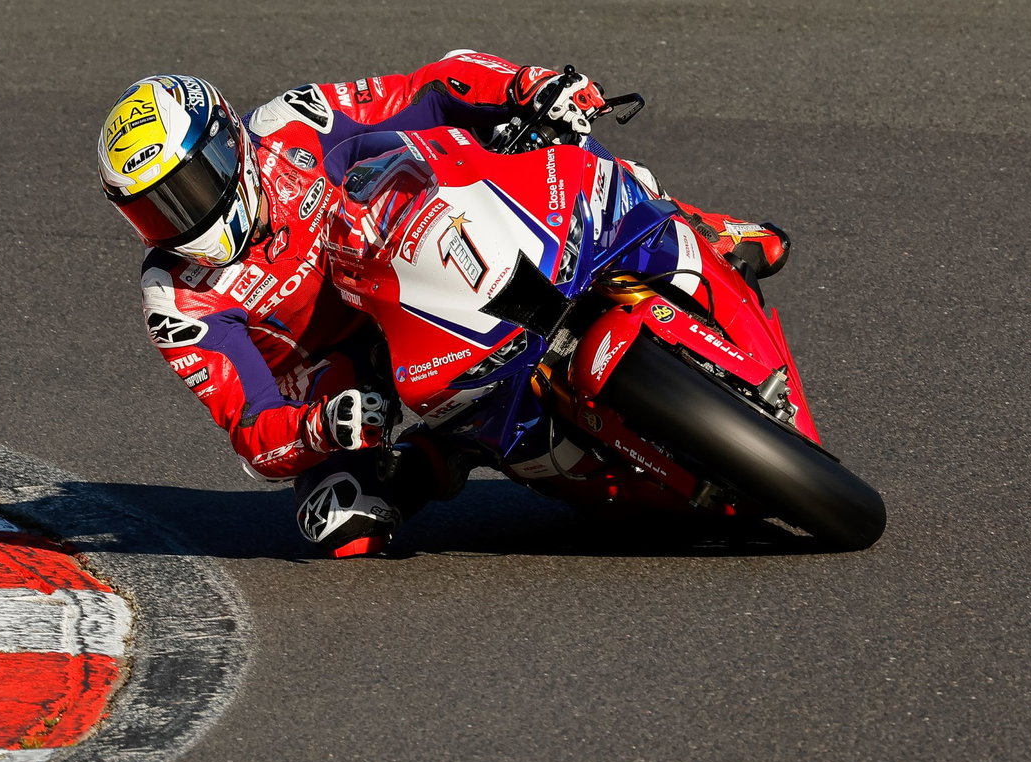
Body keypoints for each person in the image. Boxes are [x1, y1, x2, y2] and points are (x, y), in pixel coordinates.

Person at [96, 51, 789, 557]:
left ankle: (693, 224)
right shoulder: (174, 297)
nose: (181, 220)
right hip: (352, 375)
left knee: (545, 132)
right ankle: (454, 451)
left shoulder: (290, 126)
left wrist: (527, 86)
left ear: (226, 143)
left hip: (406, 251)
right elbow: (252, 428)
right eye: (154, 211)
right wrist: (324, 427)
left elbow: (426, 89)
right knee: (342, 524)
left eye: (188, 189)